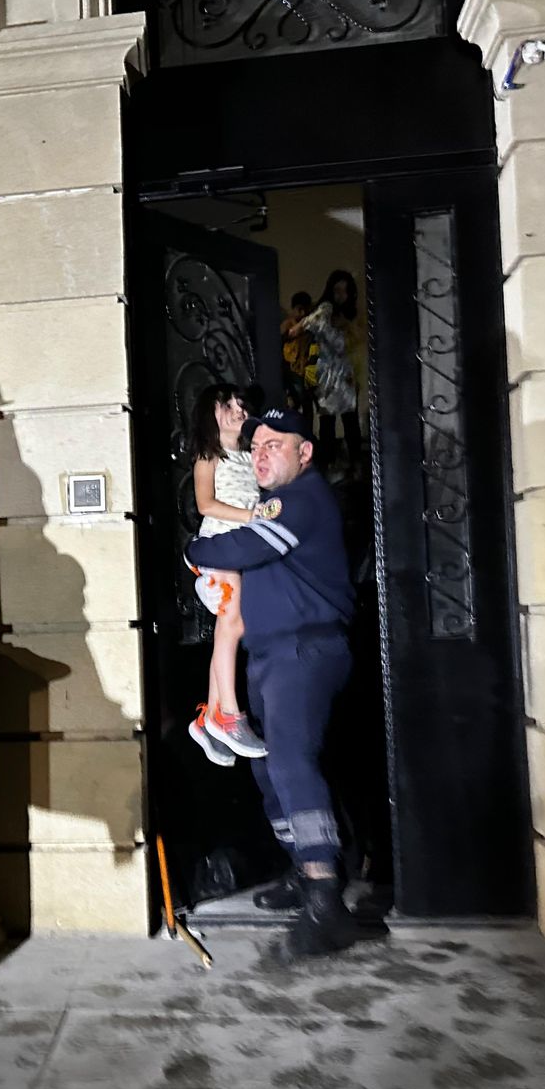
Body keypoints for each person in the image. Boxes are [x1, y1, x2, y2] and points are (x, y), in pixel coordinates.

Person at [186, 406, 358, 957]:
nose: (261, 454)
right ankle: (301, 875)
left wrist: (194, 547)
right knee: (267, 770)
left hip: (303, 650)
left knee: (289, 763)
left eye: (274, 445)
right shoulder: (264, 506)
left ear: (305, 453)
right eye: (255, 447)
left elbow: (237, 548)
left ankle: (326, 899)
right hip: (270, 655)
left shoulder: (301, 499)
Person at [186, 384, 267, 765]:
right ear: (212, 413)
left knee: (231, 625)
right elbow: (205, 503)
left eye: (240, 404)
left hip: (242, 545)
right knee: (231, 624)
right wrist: (251, 517)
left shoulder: (248, 453)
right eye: (228, 405)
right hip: (221, 543)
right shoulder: (209, 453)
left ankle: (211, 718)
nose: (238, 410)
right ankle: (228, 715)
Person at [304, 270, 363, 475]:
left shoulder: (351, 315)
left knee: (350, 422)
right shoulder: (325, 310)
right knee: (329, 423)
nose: (341, 296)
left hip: (346, 375)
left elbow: (355, 344)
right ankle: (328, 467)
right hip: (327, 376)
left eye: (345, 291)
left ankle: (355, 466)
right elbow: (314, 327)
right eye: (337, 290)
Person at [280, 290, 314, 415]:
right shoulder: (288, 324)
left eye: (306, 309)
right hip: (292, 370)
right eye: (299, 309)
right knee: (296, 403)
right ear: (293, 309)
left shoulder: (310, 324)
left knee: (307, 404)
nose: (303, 313)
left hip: (308, 370)